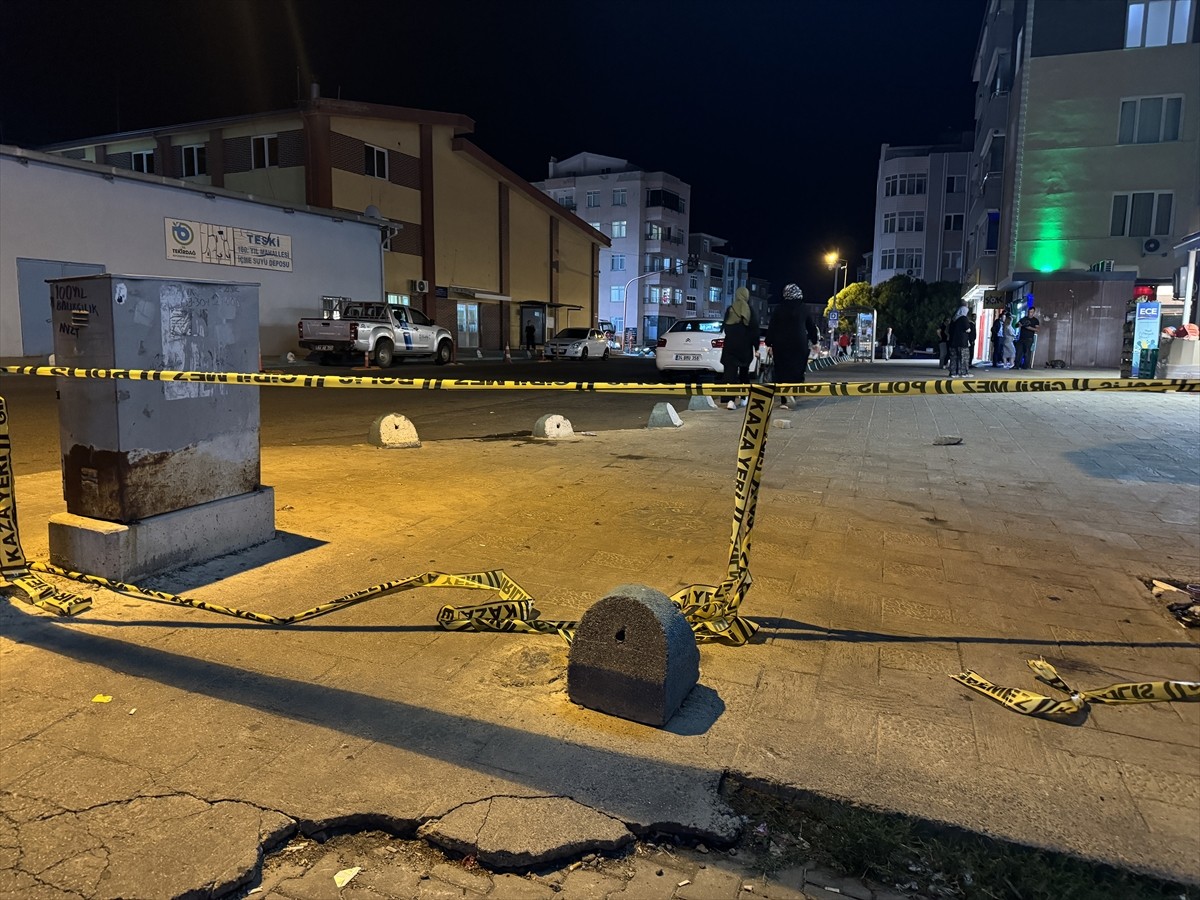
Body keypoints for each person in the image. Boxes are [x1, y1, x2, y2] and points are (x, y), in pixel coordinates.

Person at [765, 283, 819, 409]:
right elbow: (811, 327)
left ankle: (784, 399)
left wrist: (769, 343)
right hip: (799, 344)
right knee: (797, 370)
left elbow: (772, 327)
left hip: (781, 344)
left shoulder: (779, 308)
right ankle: (793, 394)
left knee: (782, 370)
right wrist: (815, 341)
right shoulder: (803, 308)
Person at [720, 287, 759, 409]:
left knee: (730, 374)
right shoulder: (750, 310)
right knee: (744, 373)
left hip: (730, 346)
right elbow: (754, 330)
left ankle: (730, 400)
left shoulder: (730, 309)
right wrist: (756, 347)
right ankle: (743, 397)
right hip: (745, 347)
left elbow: (725, 327)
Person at [947, 306, 971, 378]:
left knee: (954, 358)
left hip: (953, 342)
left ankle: (953, 372)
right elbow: (968, 329)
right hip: (962, 342)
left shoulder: (954, 319)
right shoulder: (964, 318)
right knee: (964, 358)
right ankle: (964, 373)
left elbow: (950, 330)